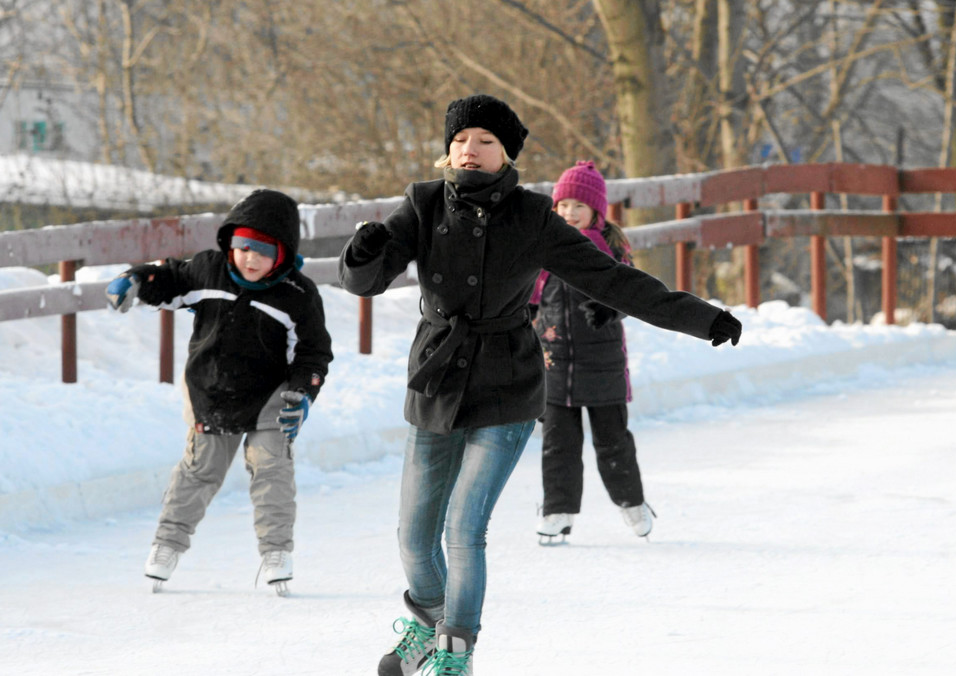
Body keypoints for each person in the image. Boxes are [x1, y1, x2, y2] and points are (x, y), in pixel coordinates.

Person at [337, 94, 742, 676]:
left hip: (506, 383)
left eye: (483, 142)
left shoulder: (531, 218)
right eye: (459, 141)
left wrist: (702, 317)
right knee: (412, 535)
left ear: (505, 154)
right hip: (435, 383)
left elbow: (612, 280)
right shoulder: (422, 203)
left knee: (463, 527)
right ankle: (428, 622)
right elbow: (365, 282)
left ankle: (456, 650)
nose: (468, 151)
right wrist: (364, 251)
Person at [104, 189, 334, 595]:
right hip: (211, 389)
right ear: (231, 244)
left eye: (262, 251)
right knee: (200, 471)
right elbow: (169, 278)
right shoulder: (209, 270)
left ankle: (276, 552)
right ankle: (167, 545)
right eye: (243, 247)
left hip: (270, 397)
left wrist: (303, 394)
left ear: (281, 254)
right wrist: (136, 280)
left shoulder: (297, 295)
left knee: (271, 469)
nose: (249, 258)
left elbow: (313, 353)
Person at [529, 160, 653, 544]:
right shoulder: (542, 249)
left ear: (595, 211)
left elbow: (633, 291)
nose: (569, 213)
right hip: (554, 363)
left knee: (613, 441)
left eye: (577, 207)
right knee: (558, 446)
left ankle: (633, 503)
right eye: (562, 206)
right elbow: (527, 296)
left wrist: (609, 306)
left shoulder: (610, 248)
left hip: (603, 364)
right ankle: (557, 512)